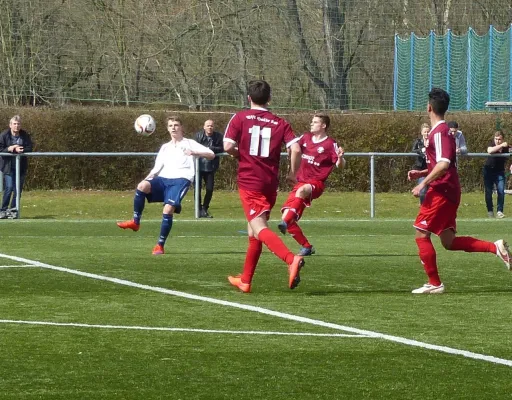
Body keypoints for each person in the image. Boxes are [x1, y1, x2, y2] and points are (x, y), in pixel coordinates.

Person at [407, 88, 511, 294]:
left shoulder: (439, 132)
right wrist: (421, 171)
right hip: (447, 190)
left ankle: (434, 283)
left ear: (429, 107)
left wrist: (422, 183)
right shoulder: (442, 132)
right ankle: (495, 247)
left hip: (442, 191)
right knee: (448, 241)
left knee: (421, 233)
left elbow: (444, 164)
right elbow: (443, 163)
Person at [223, 79, 304, 293]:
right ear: (269, 98)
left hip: (250, 181)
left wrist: (240, 154)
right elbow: (295, 149)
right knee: (253, 231)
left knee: (259, 228)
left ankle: (291, 259)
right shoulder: (280, 123)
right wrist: (292, 174)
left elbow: (227, 145)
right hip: (270, 182)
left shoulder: (240, 117)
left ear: (249, 98)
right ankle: (246, 280)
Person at [117, 116, 214, 255]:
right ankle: (135, 222)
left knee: (168, 210)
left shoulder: (190, 143)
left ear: (181, 127)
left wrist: (195, 152)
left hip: (181, 180)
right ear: (167, 129)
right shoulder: (165, 147)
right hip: (163, 179)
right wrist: (145, 180)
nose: (173, 127)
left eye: (176, 125)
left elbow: (211, 154)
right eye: (170, 125)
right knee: (142, 186)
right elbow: (156, 169)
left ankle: (160, 245)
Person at [277, 114, 345, 256]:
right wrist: (289, 151)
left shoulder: (330, 144)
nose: (311, 124)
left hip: (316, 183)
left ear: (323, 125)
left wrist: (340, 158)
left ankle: (286, 222)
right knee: (286, 216)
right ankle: (307, 246)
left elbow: (340, 165)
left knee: (302, 191)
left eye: (315, 122)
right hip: (301, 182)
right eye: (312, 122)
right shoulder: (305, 138)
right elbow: (294, 148)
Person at [0, 115, 33, 218]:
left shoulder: (24, 135)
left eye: (18, 124)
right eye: (14, 124)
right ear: (10, 125)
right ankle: (3, 210)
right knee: (9, 187)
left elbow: (30, 147)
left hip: (21, 167)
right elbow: (1, 149)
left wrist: (20, 149)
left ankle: (13, 209)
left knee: (17, 189)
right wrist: (11, 149)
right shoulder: (4, 135)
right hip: (8, 166)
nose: (16, 126)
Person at [194, 119, 224, 218]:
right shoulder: (198, 136)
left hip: (211, 167)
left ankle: (205, 208)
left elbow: (222, 148)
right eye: (208, 126)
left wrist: (210, 148)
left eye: (211, 126)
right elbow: (195, 148)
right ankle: (198, 209)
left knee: (210, 189)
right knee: (197, 189)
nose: (209, 127)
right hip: (198, 166)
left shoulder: (218, 136)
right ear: (204, 127)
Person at [483, 130, 510, 218]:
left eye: (499, 139)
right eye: (496, 139)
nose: (497, 141)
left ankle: (499, 211)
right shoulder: (491, 143)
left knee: (501, 191)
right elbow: (490, 151)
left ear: (503, 139)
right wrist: (501, 145)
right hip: (488, 170)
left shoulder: (506, 147)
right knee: (488, 192)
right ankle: (490, 211)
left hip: (500, 172)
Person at [411, 123, 430, 204]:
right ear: (422, 132)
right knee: (422, 191)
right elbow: (413, 150)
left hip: (431, 168)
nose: (426, 133)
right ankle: (423, 206)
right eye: (425, 132)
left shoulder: (432, 141)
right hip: (421, 168)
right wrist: (421, 150)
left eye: (428, 132)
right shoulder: (418, 142)